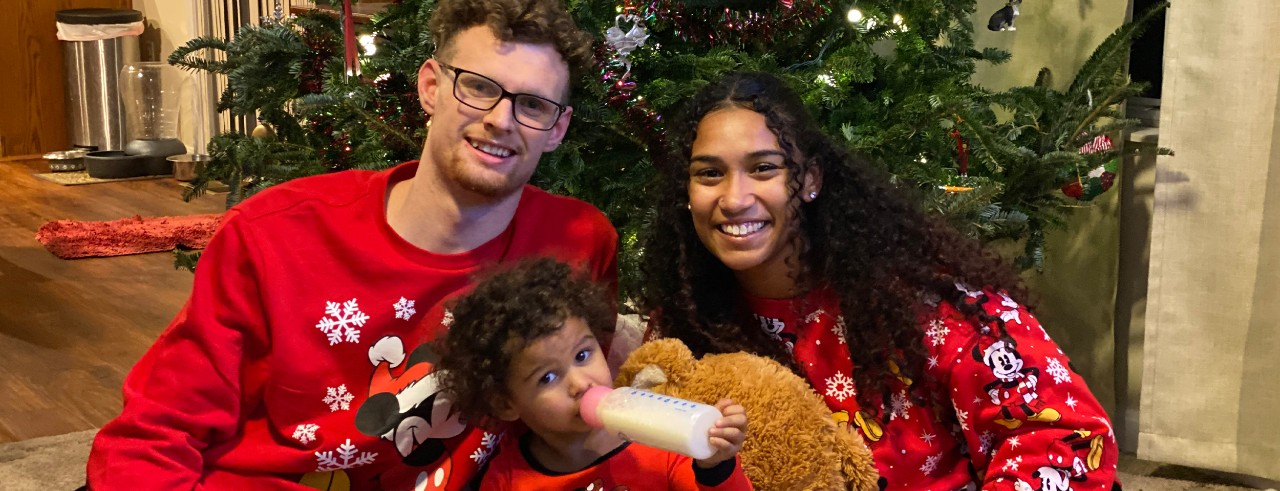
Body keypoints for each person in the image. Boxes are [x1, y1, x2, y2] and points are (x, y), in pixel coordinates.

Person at [85, 1, 616, 489]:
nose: (501, 120)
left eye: (532, 105)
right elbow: (153, 437)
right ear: (430, 86)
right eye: (478, 87)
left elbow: (577, 419)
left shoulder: (579, 243)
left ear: (557, 128)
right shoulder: (274, 234)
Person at [641, 71, 1119, 491]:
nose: (733, 197)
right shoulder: (683, 323)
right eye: (709, 173)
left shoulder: (927, 303)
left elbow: (1068, 436)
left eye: (763, 168)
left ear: (809, 179)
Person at [434, 258, 752, 491]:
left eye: (583, 355)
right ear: (505, 403)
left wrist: (715, 466)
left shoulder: (661, 439)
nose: (580, 383)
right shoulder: (507, 480)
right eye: (547, 378)